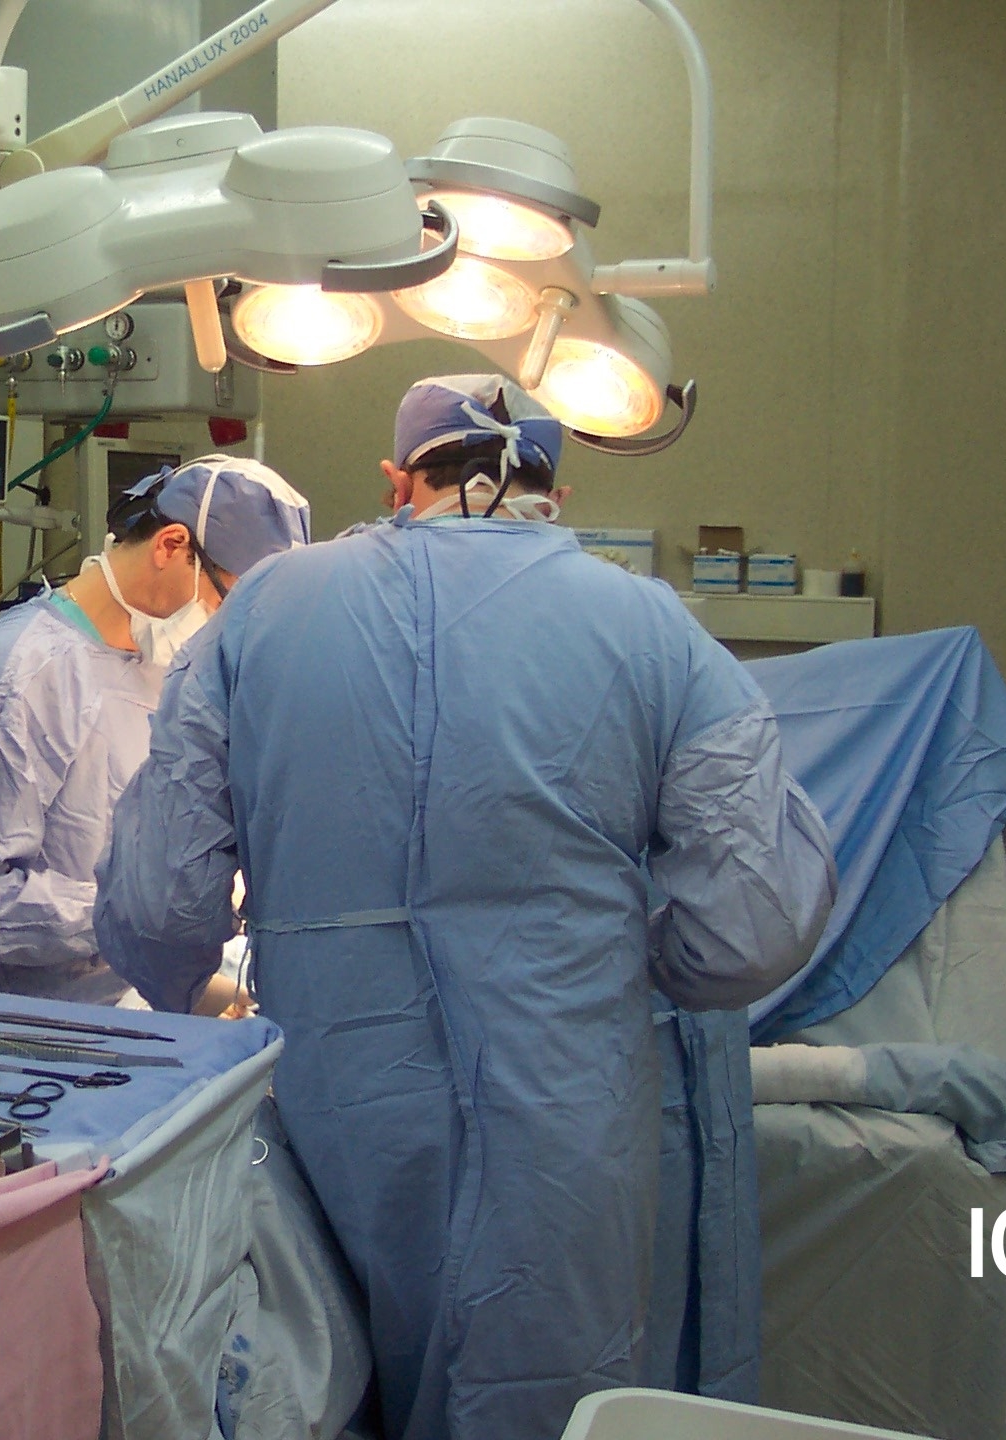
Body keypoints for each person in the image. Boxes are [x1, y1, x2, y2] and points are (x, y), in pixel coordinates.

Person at [94, 374, 836, 1440]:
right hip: (562, 1125)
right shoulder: (648, 625)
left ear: (398, 482)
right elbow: (754, 926)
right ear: (555, 490)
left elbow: (159, 910)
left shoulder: (266, 608)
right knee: (534, 1402)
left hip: (330, 1120)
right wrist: (598, 958)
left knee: (306, 1394)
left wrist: (203, 979)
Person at [0, 455, 309, 1005]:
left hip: (121, 1010)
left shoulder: (166, 668)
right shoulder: (18, 673)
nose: (226, 625)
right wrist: (141, 914)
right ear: (171, 546)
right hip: (8, 1024)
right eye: (225, 601)